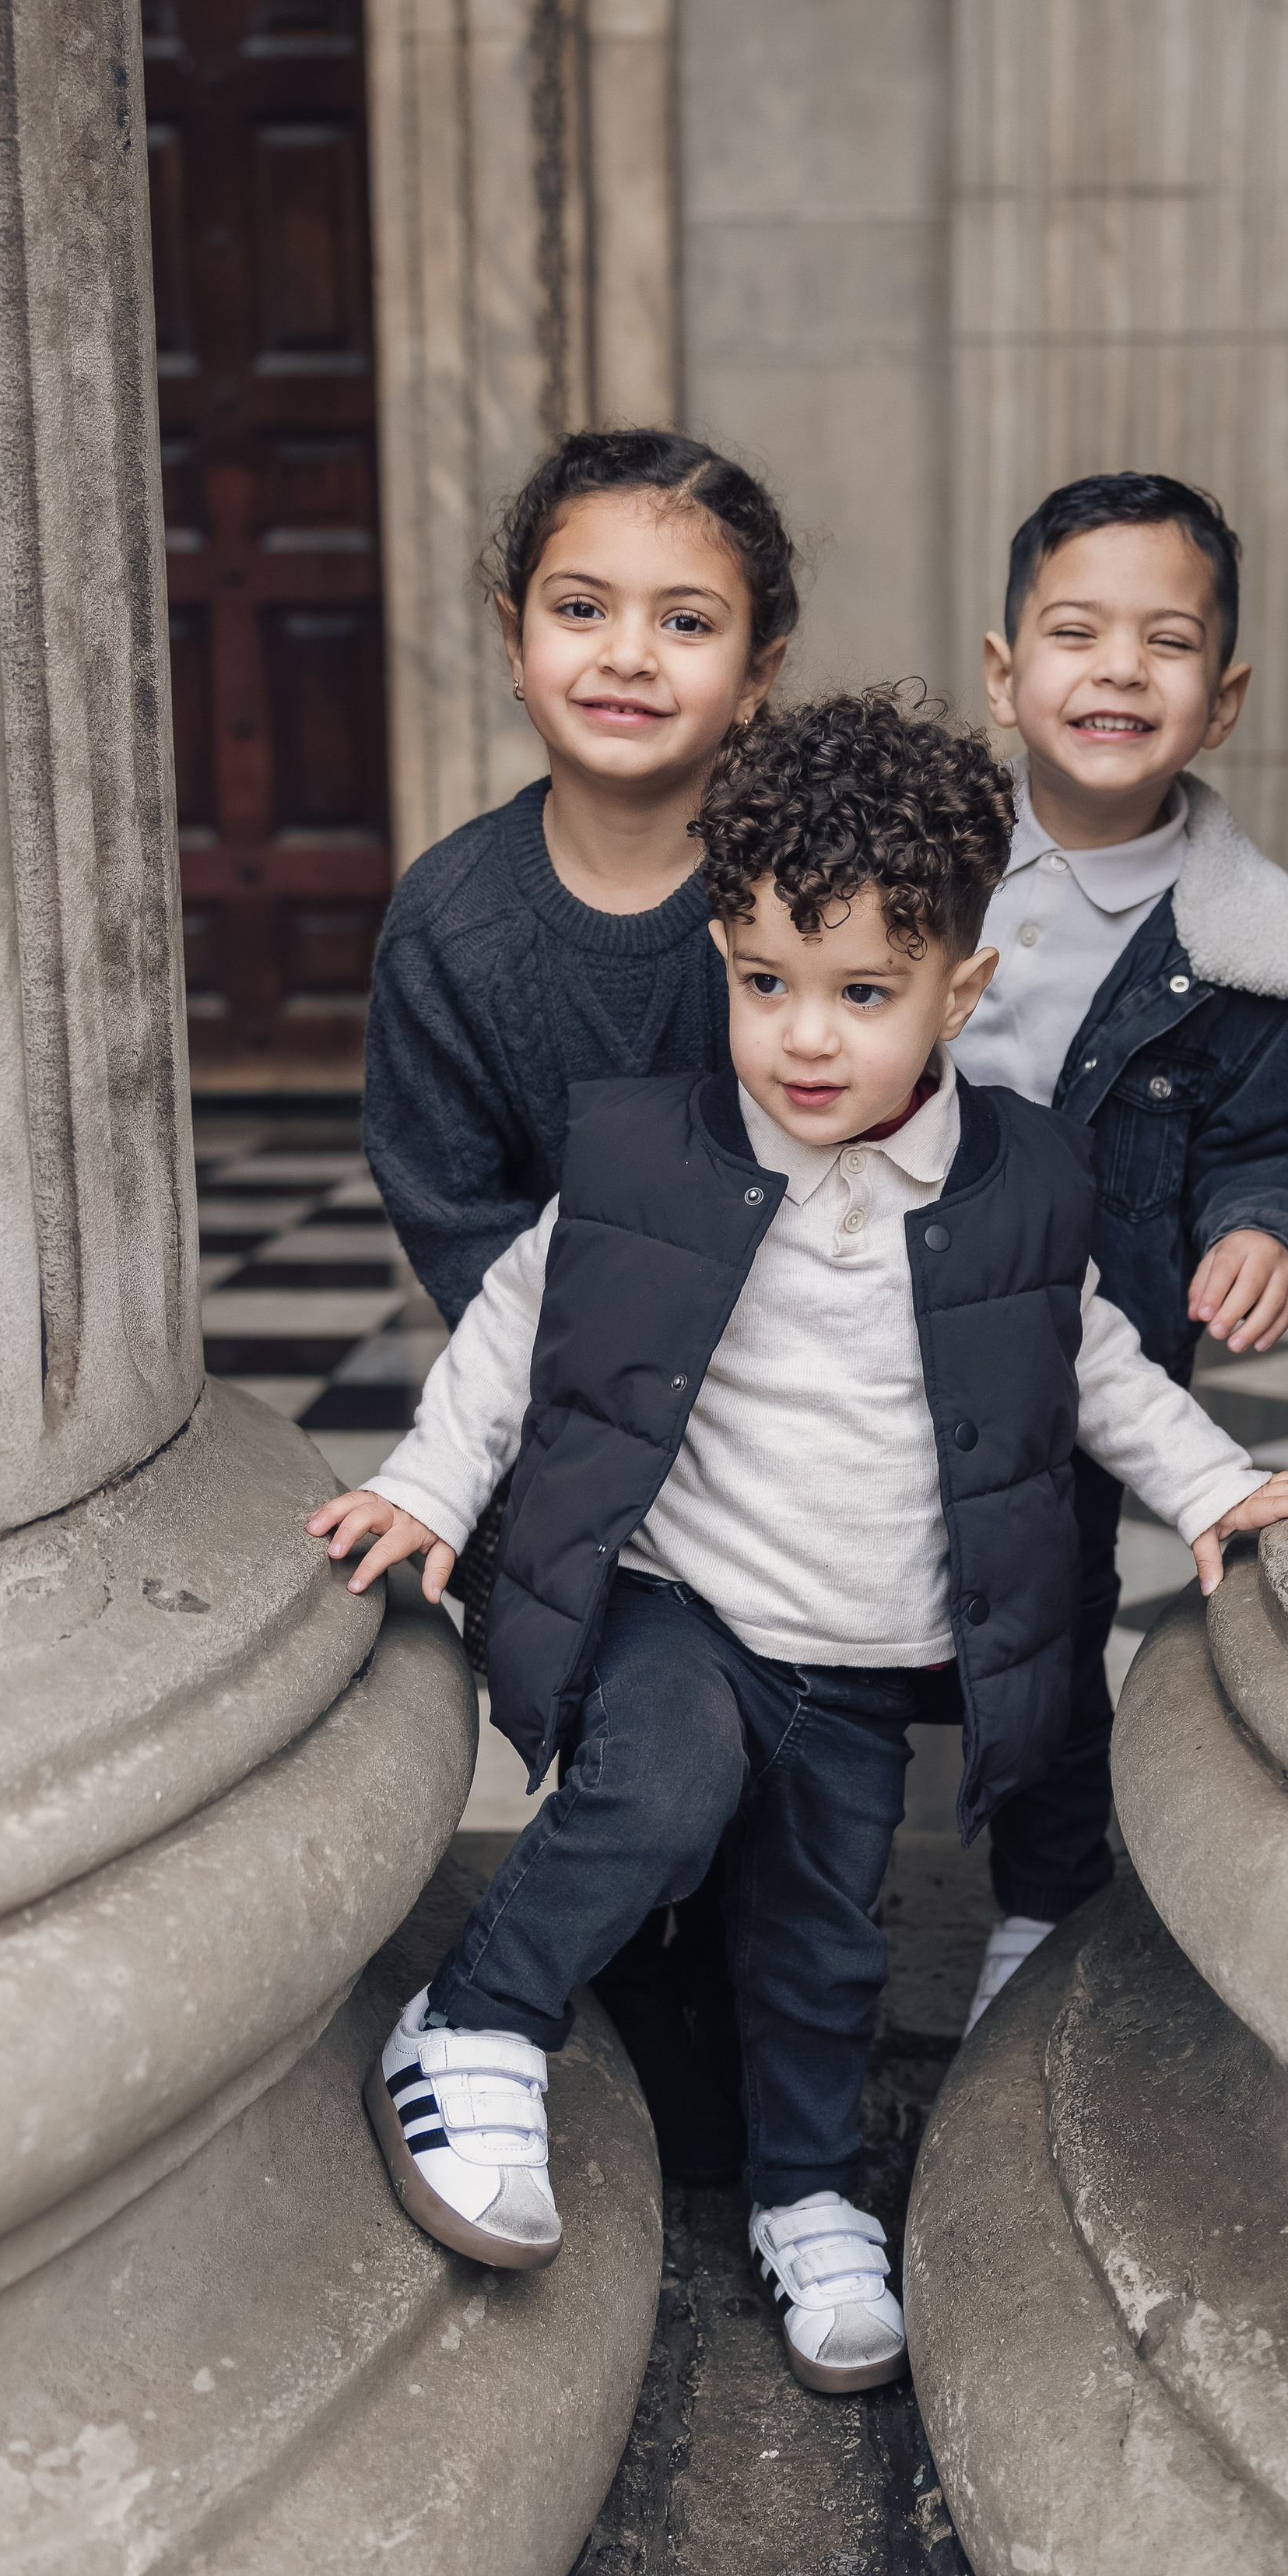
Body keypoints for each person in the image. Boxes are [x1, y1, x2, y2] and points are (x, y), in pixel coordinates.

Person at [308, 692, 1288, 2396]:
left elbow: (1085, 1357)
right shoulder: (654, 1148)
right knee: (650, 1792)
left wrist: (1214, 1488)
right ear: (720, 953)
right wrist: (427, 1487)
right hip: (687, 1609)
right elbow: (514, 1321)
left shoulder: (1016, 1177)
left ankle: (808, 2195)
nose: (803, 1036)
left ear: (961, 991)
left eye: (862, 993)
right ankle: (481, 2020)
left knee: (820, 1940)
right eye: (763, 980)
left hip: (864, 1657)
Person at [362, 427, 798, 2167]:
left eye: (685, 619)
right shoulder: (455, 926)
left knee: (793, 1798)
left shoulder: (799, 899)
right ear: (508, 626)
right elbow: (460, 1217)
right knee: (668, 1748)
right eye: (580, 605)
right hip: (578, 1459)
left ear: (757, 669)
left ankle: (738, 2010)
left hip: (804, 1437)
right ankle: (517, 1998)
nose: (626, 652)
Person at [955, 473, 1288, 2030]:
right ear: (1004, 674)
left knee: (1047, 1631)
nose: (1117, 667)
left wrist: (1266, 1225)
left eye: (1164, 641)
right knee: (836, 1610)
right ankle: (798, 1877)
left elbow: (1280, 1134)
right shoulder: (922, 870)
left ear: (1221, 697)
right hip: (866, 1331)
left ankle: (1040, 1899)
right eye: (1074, 631)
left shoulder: (1243, 942)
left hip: (1084, 1370)